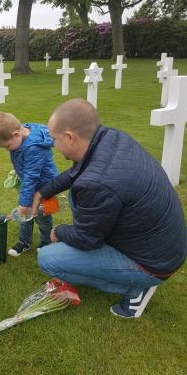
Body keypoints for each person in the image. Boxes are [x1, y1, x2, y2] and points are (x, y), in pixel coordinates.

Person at [32, 99, 187, 318]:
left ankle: (135, 289)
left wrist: (58, 232)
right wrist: (43, 192)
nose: (53, 145)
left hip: (155, 264)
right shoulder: (109, 138)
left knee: (49, 258)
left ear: (70, 137)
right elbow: (76, 172)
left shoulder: (97, 182)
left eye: (54, 139)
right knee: (77, 197)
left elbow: (87, 240)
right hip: (161, 244)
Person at [0, 112, 59, 256]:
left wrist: (24, 203)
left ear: (16, 135)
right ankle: (24, 242)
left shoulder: (33, 148)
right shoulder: (22, 131)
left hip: (45, 186)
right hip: (31, 184)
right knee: (25, 216)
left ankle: (46, 242)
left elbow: (32, 177)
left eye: (7, 146)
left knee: (42, 217)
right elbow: (23, 161)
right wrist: (16, 169)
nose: (8, 150)